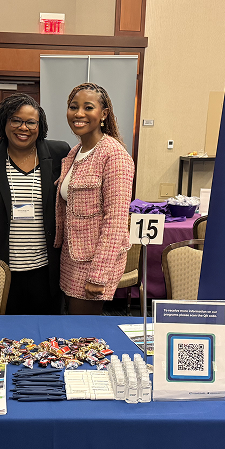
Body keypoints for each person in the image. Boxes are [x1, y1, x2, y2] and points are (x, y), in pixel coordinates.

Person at [0, 94, 70, 314]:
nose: (24, 127)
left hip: (45, 268)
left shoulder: (59, 153)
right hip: (1, 267)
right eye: (16, 120)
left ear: (40, 126)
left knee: (46, 335)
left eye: (31, 122)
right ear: (4, 122)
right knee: (4, 336)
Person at [55, 83, 134, 315]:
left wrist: (99, 275)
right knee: (71, 325)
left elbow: (117, 220)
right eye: (73, 107)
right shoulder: (73, 153)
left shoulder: (114, 154)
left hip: (94, 262)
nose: (79, 114)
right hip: (71, 258)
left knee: (82, 332)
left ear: (104, 114)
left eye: (88, 107)